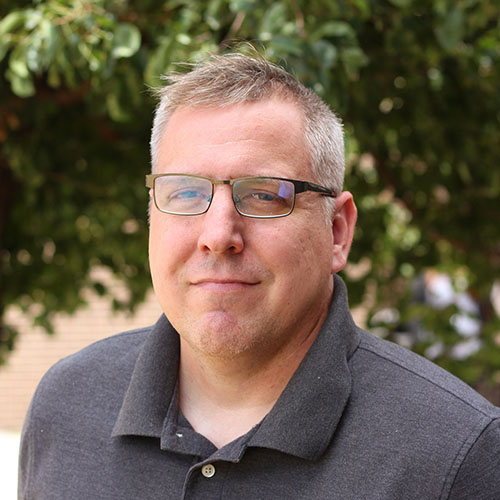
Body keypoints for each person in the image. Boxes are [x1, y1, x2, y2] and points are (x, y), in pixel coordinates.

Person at [19, 52, 500, 500]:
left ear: (337, 231)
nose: (217, 235)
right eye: (186, 192)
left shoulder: (458, 456)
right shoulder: (66, 406)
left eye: (265, 195)